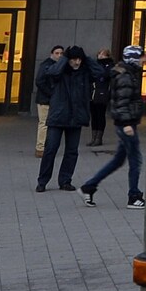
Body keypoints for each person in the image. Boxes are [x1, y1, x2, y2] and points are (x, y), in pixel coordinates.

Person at [81, 45, 146, 208]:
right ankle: (133, 196)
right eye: (141, 57)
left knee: (119, 160)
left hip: (126, 123)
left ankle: (89, 186)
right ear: (133, 58)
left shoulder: (127, 74)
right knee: (135, 160)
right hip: (127, 124)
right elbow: (122, 102)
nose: (144, 60)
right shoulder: (125, 76)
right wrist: (126, 124)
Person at [37, 46, 93, 191]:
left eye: (79, 59)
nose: (77, 62)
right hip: (58, 116)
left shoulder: (84, 73)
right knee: (51, 149)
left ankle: (65, 180)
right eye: (74, 59)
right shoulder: (60, 72)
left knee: (72, 151)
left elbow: (101, 73)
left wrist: (86, 58)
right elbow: (49, 74)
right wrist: (64, 59)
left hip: (76, 117)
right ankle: (42, 181)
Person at [32, 45, 65, 156]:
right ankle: (40, 148)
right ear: (52, 54)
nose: (59, 55)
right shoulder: (46, 65)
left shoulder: (57, 66)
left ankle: (45, 147)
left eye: (61, 53)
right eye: (57, 53)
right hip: (45, 99)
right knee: (44, 124)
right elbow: (39, 81)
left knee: (48, 124)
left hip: (50, 99)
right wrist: (51, 94)